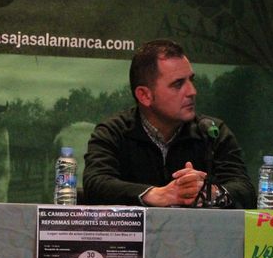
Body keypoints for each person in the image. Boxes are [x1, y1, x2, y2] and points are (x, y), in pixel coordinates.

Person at [83, 39, 255, 207]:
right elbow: (96, 184)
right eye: (178, 84)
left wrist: (208, 192)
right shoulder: (114, 132)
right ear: (145, 95)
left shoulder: (211, 131)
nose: (192, 91)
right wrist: (157, 194)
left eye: (191, 80)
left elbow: (245, 190)